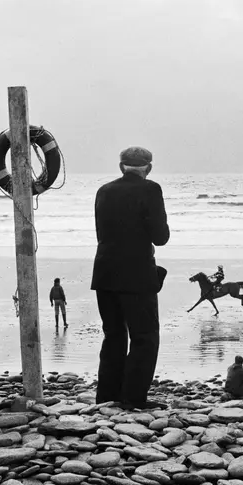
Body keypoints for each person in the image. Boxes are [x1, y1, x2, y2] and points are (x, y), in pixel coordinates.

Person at [91, 146, 170, 409]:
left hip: (105, 271)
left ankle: (107, 395)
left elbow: (101, 231)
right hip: (137, 273)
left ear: (121, 166)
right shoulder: (151, 189)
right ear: (148, 168)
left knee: (113, 334)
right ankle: (133, 398)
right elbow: (161, 237)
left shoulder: (104, 190)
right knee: (145, 337)